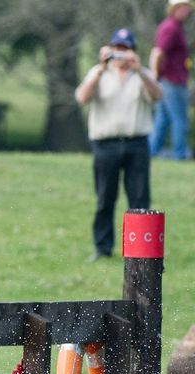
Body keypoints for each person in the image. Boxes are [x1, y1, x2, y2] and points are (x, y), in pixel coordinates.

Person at [75, 29, 162, 261]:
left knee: (139, 199)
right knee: (105, 197)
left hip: (136, 143)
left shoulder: (142, 75)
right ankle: (103, 248)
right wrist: (101, 69)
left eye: (125, 49)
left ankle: (141, 251)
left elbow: (157, 96)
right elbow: (82, 98)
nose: (121, 53)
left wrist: (140, 71)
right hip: (106, 144)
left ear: (133, 51)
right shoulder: (98, 73)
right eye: (117, 48)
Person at [148, 0, 191, 160]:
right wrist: (155, 75)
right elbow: (158, 53)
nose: (188, 11)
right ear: (176, 8)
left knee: (162, 119)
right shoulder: (170, 28)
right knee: (179, 120)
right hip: (172, 81)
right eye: (185, 7)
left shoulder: (176, 27)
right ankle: (179, 155)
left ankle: (150, 152)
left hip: (170, 81)